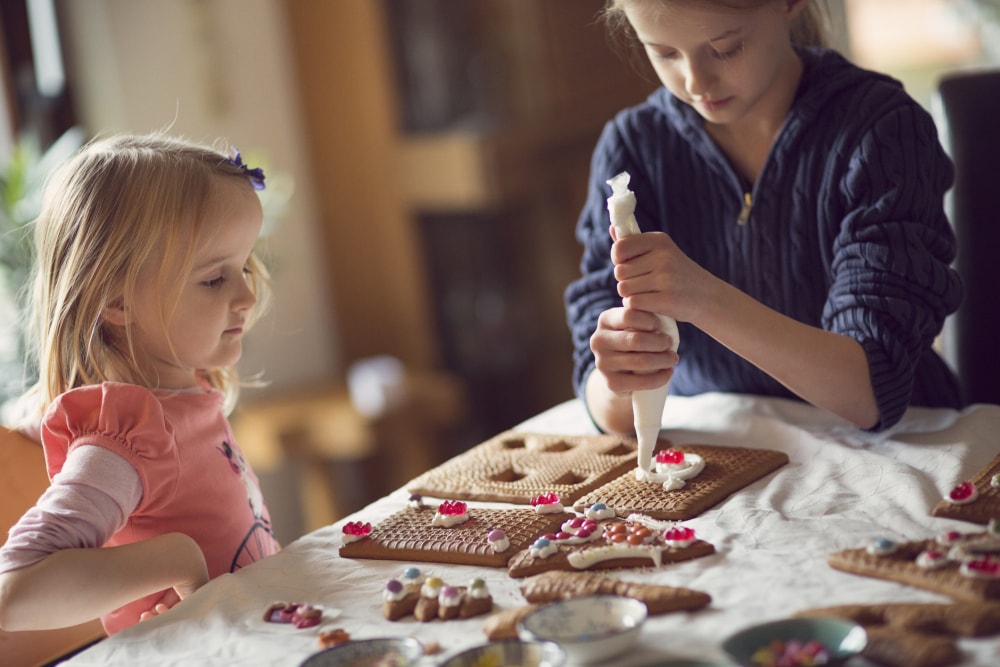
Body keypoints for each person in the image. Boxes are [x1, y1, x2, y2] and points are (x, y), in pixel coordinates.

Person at [565, 0, 963, 436]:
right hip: (728, 455)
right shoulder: (632, 148)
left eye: (725, 48)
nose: (696, 81)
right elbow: (606, 404)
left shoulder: (881, 130)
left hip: (904, 448)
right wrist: (618, 376)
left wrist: (701, 297)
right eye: (664, 53)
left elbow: (869, 391)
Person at [0, 133, 280, 635]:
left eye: (243, 267)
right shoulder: (128, 439)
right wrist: (175, 559)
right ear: (117, 301)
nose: (247, 296)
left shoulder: (188, 395)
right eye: (215, 279)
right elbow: (14, 590)